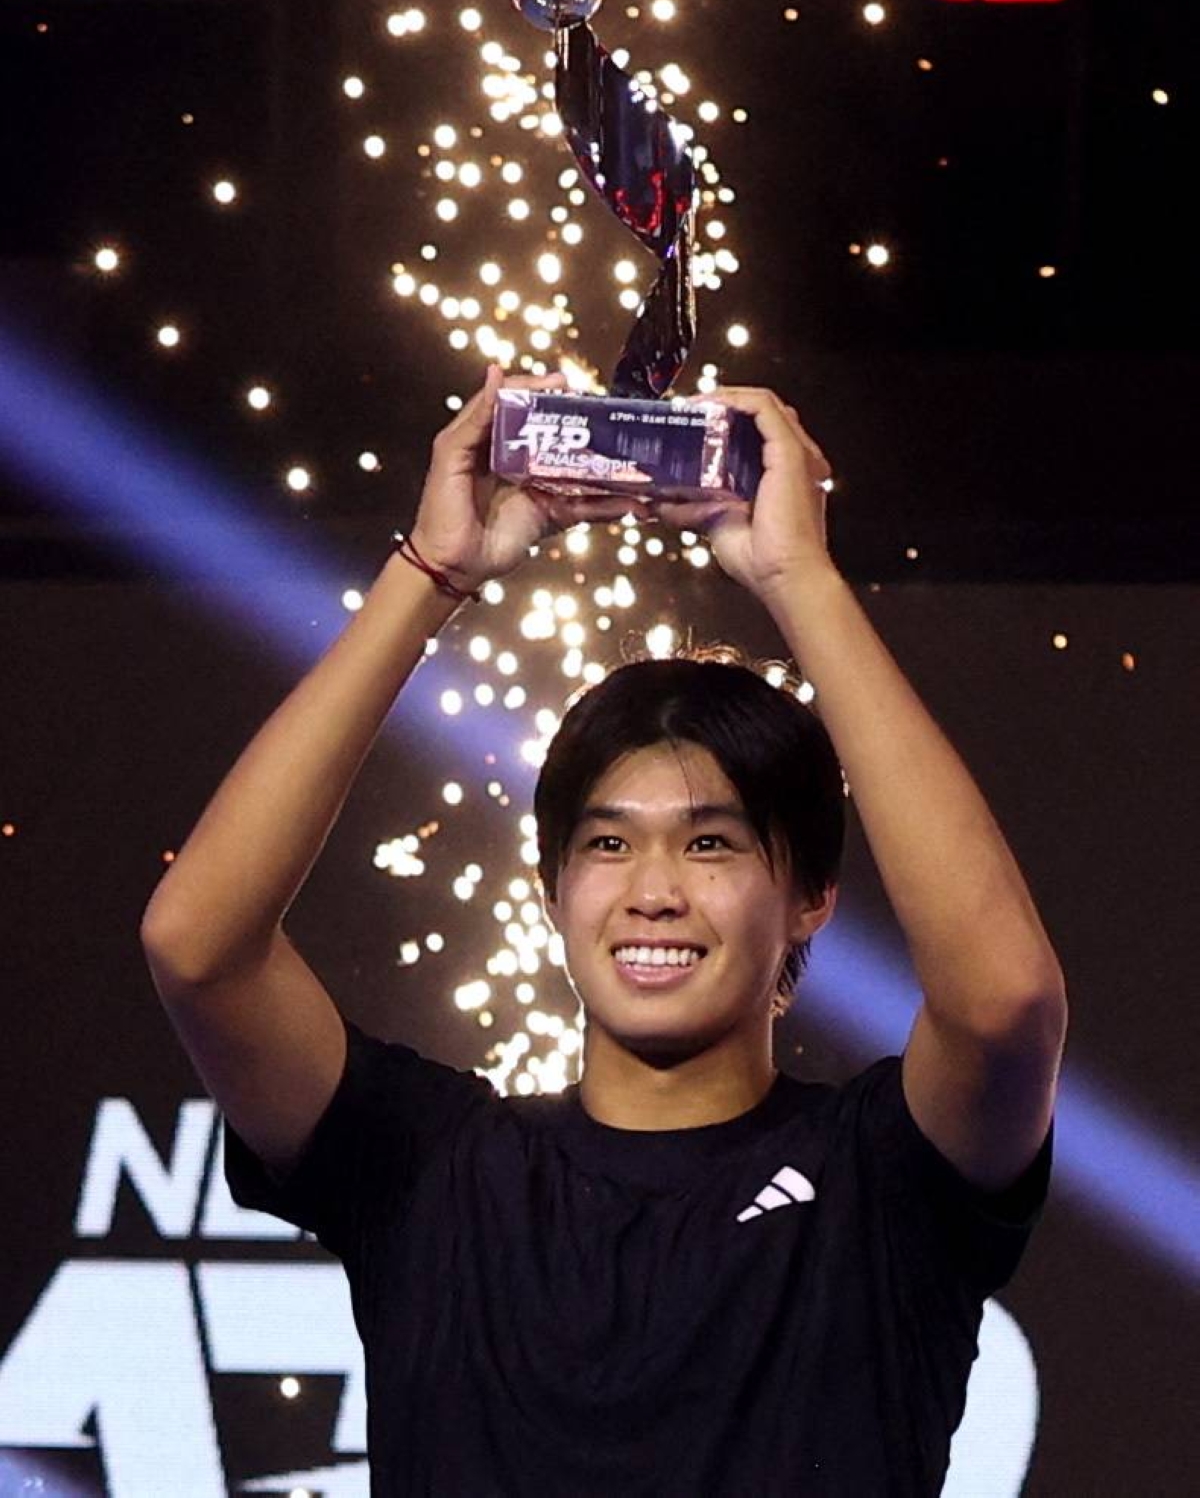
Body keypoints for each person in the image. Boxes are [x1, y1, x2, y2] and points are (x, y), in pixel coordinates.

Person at [141, 364, 1068, 1495]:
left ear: (812, 894)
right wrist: (433, 573)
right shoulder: (432, 1167)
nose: (654, 892)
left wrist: (801, 579)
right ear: (551, 889)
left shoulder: (879, 1181)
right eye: (610, 844)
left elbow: (1004, 1003)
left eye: (712, 843)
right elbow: (199, 949)